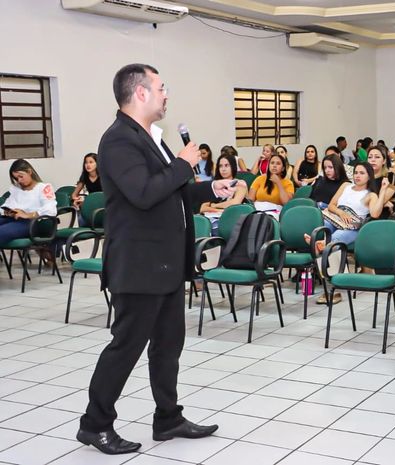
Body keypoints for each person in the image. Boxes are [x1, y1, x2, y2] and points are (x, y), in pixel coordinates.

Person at [77, 64, 239, 454]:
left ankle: (168, 417)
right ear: (141, 93)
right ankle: (94, 423)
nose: (167, 95)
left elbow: (172, 190)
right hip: (139, 264)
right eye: (162, 88)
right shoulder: (118, 140)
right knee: (126, 346)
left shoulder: (150, 137)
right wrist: (183, 163)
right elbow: (145, 193)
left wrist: (208, 189)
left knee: (168, 345)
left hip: (165, 263)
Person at [1, 159, 57, 244]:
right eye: (16, 178)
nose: (19, 180)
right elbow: (6, 206)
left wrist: (27, 215)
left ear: (29, 172)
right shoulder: (16, 190)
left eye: (21, 176)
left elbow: (51, 210)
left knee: (1, 232)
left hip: (33, 222)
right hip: (14, 219)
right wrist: (8, 212)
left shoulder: (43, 188)